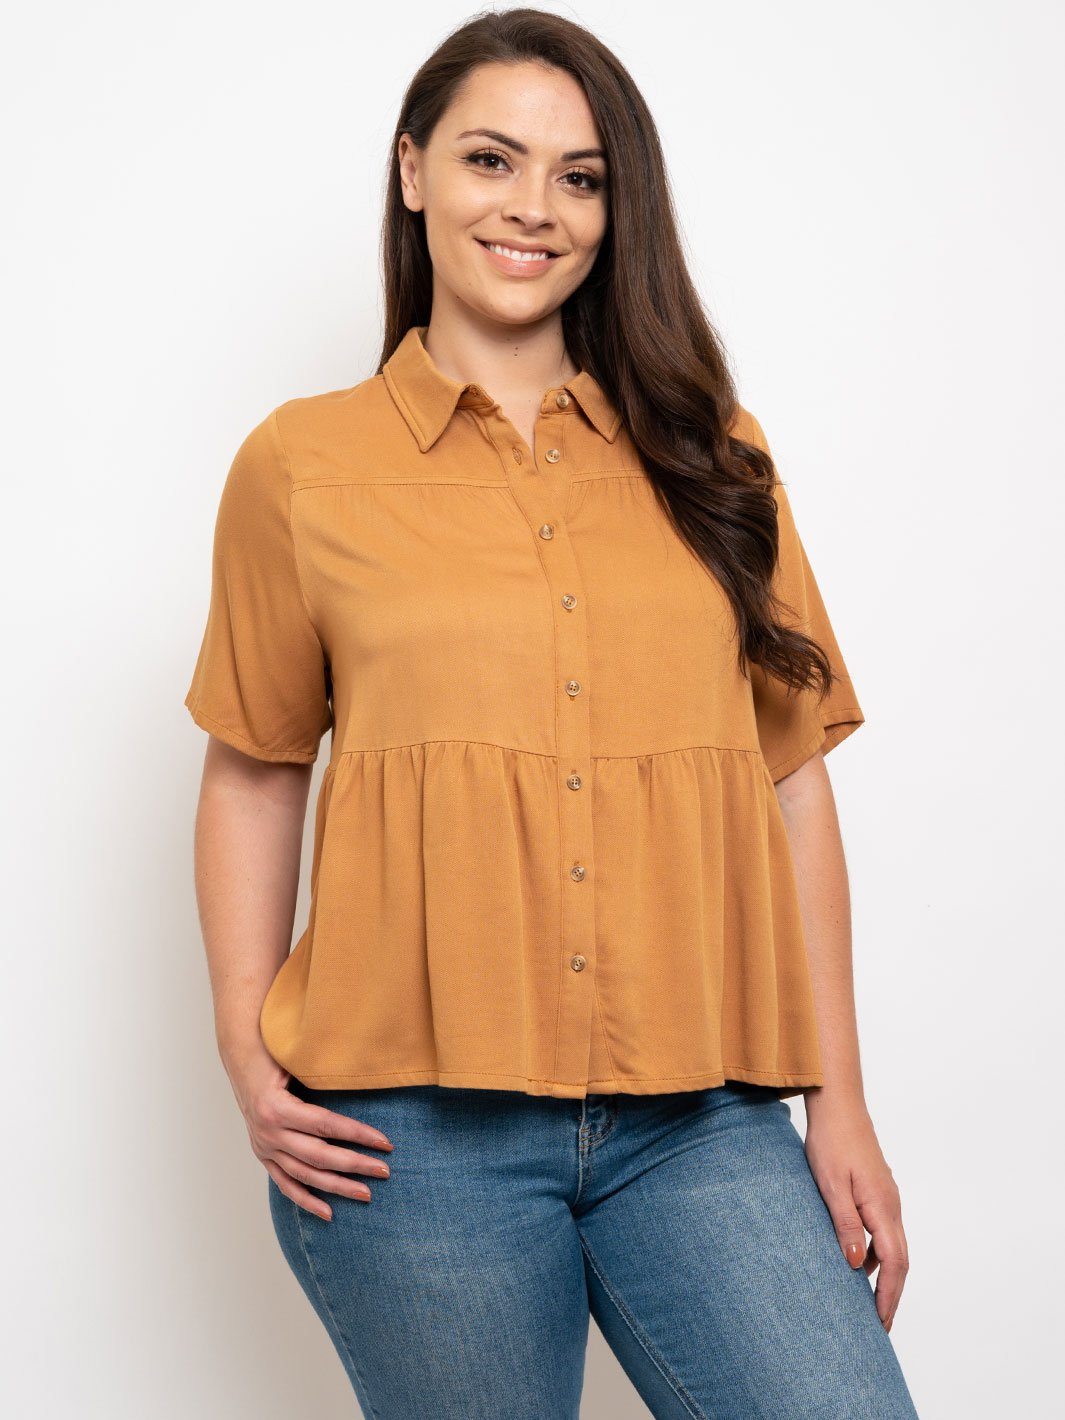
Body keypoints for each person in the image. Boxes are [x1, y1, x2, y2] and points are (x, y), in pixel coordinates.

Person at [184, 9, 920, 1417]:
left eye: (580, 177)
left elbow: (789, 782)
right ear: (412, 172)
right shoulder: (300, 466)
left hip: (701, 1120)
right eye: (491, 160)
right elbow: (256, 766)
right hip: (406, 1139)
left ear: (614, 209)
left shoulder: (717, 458)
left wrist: (840, 1101)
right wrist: (242, 1042)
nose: (533, 207)